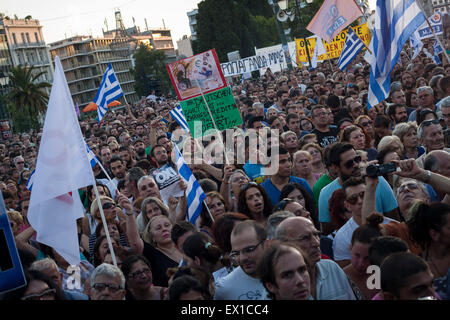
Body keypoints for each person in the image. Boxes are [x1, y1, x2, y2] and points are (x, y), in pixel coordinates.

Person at [318, 143, 399, 236]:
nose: (356, 165)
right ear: (335, 167)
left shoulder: (377, 181)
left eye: (357, 159)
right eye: (349, 164)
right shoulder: (325, 193)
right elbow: (328, 232)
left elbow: (394, 220)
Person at [275, 216, 356, 300]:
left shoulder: (332, 268)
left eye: (316, 235)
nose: (316, 243)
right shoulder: (278, 285)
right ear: (284, 245)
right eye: (305, 238)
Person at [120, 192, 182, 287]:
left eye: (166, 225)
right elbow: (135, 241)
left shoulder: (184, 246)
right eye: (158, 228)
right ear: (152, 236)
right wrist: (129, 211)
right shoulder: (152, 254)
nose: (164, 229)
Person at [332, 178, 395, 268]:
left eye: (363, 195)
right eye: (353, 199)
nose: (360, 201)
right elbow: (346, 276)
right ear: (347, 206)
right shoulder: (342, 237)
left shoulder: (392, 225)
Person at [214, 221, 270, 300]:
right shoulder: (225, 288)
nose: (242, 258)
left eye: (249, 250)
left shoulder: (287, 271)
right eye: (236, 253)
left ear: (266, 245)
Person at [342, 220, 384, 300]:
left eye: (367, 258)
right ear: (351, 248)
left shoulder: (384, 276)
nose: (361, 263)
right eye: (357, 255)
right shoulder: (341, 277)